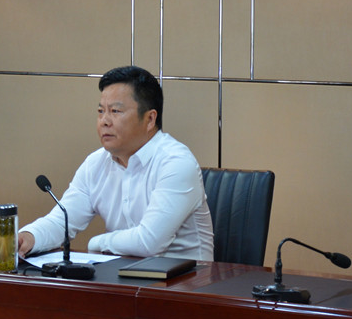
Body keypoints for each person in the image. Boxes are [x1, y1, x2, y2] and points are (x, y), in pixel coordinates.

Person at [18, 65, 214, 260]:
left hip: (189, 277)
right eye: (100, 111)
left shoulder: (176, 163)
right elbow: (62, 221)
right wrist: (29, 237)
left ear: (150, 119)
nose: (104, 121)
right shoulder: (96, 163)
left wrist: (96, 243)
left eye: (115, 111)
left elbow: (149, 242)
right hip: (121, 274)